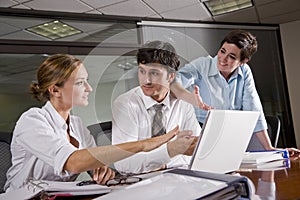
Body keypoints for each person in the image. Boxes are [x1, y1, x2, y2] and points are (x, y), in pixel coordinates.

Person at [4, 54, 188, 192]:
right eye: (80, 83)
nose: (89, 88)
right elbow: (72, 162)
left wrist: (101, 171)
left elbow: (96, 166)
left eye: (87, 82)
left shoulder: (77, 125)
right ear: (55, 90)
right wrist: (143, 145)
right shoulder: (32, 121)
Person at [171, 29, 300, 155]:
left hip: (229, 132)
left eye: (232, 57)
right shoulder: (202, 65)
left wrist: (269, 147)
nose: (222, 59)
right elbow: (173, 82)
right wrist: (189, 97)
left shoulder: (245, 72)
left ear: (243, 62)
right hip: (200, 132)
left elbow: (254, 109)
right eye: (222, 51)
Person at [112, 40, 201, 174]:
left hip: (175, 178)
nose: (146, 80)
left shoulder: (182, 103)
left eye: (154, 73)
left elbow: (198, 150)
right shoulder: (126, 104)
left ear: (171, 76)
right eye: (142, 71)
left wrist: (163, 164)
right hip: (138, 184)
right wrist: (172, 152)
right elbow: (122, 162)